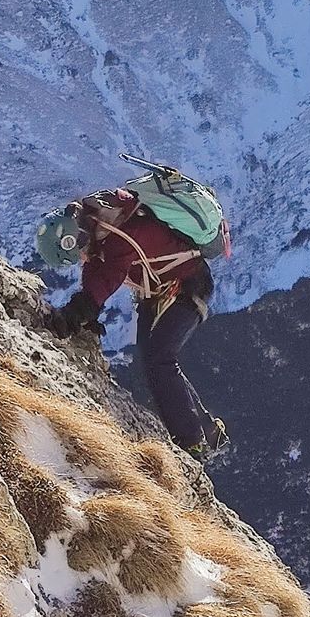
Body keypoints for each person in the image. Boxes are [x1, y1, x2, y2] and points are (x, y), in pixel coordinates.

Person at [46, 181, 229, 462]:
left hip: (188, 287)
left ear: (77, 237)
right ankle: (207, 431)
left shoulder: (121, 235)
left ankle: (192, 440)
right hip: (164, 289)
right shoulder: (105, 223)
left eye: (77, 253)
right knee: (156, 359)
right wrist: (85, 311)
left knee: (159, 358)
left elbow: (108, 276)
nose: (80, 258)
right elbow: (97, 271)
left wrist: (78, 312)